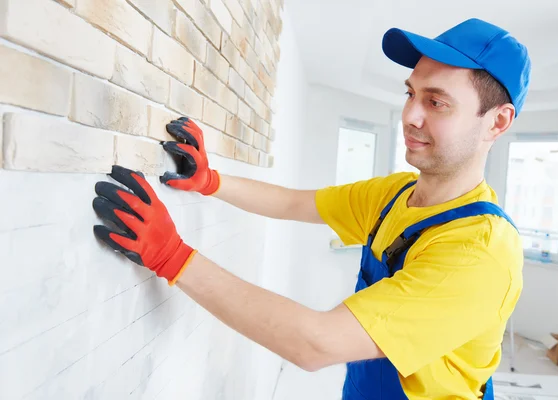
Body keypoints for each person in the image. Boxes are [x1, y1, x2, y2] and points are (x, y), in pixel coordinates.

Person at [92, 17, 530, 400]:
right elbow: (292, 203)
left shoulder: (480, 252)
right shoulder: (397, 194)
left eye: (436, 102)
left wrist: (172, 256)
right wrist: (211, 181)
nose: (410, 115)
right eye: (410, 93)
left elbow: (316, 344)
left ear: (497, 121)